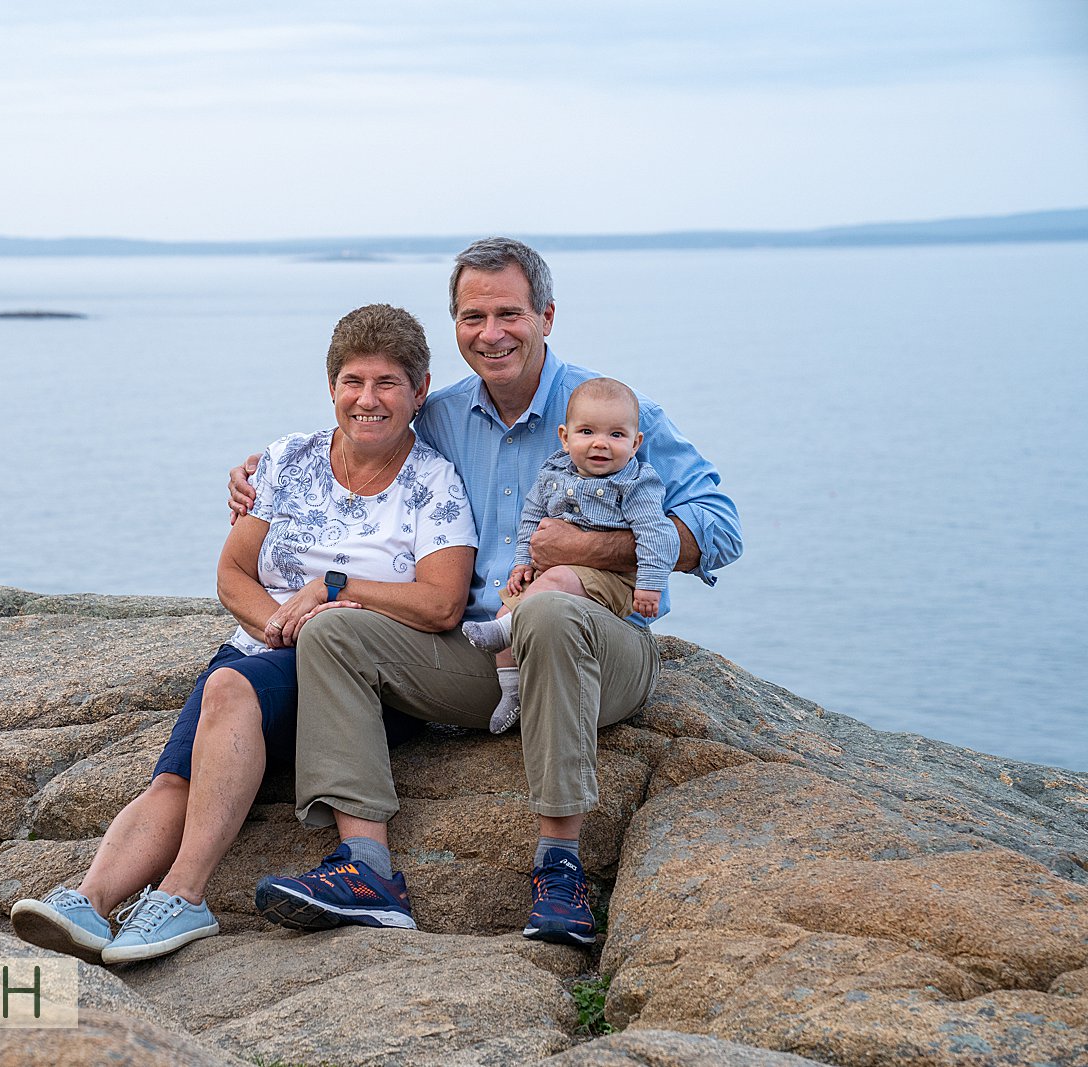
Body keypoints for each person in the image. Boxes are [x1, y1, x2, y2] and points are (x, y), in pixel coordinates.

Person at [231, 237, 741, 946]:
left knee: (553, 610)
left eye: (509, 313)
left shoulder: (612, 411)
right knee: (332, 629)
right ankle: (367, 868)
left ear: (547, 317)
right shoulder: (438, 415)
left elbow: (721, 528)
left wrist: (589, 549)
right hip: (477, 655)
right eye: (474, 316)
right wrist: (262, 474)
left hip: (596, 650)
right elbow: (355, 432)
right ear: (456, 325)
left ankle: (559, 869)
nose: (491, 333)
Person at [10, 303, 477, 964]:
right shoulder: (290, 459)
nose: (366, 399)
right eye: (352, 381)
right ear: (331, 386)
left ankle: (183, 895)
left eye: (386, 383)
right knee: (174, 779)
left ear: (419, 391)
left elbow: (440, 603)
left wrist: (331, 600)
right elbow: (233, 572)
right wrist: (279, 626)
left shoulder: (433, 482)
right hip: (266, 649)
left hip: (358, 672)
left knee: (230, 684)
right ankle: (87, 900)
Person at [461, 376, 678, 735]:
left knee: (546, 591)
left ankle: (504, 631)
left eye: (616, 436)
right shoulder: (553, 473)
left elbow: (656, 535)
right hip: (555, 575)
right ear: (565, 436)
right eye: (587, 432)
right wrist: (521, 563)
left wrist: (650, 587)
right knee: (506, 607)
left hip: (611, 581)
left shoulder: (635, 482)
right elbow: (530, 519)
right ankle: (511, 691)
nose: (600, 444)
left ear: (636, 443)